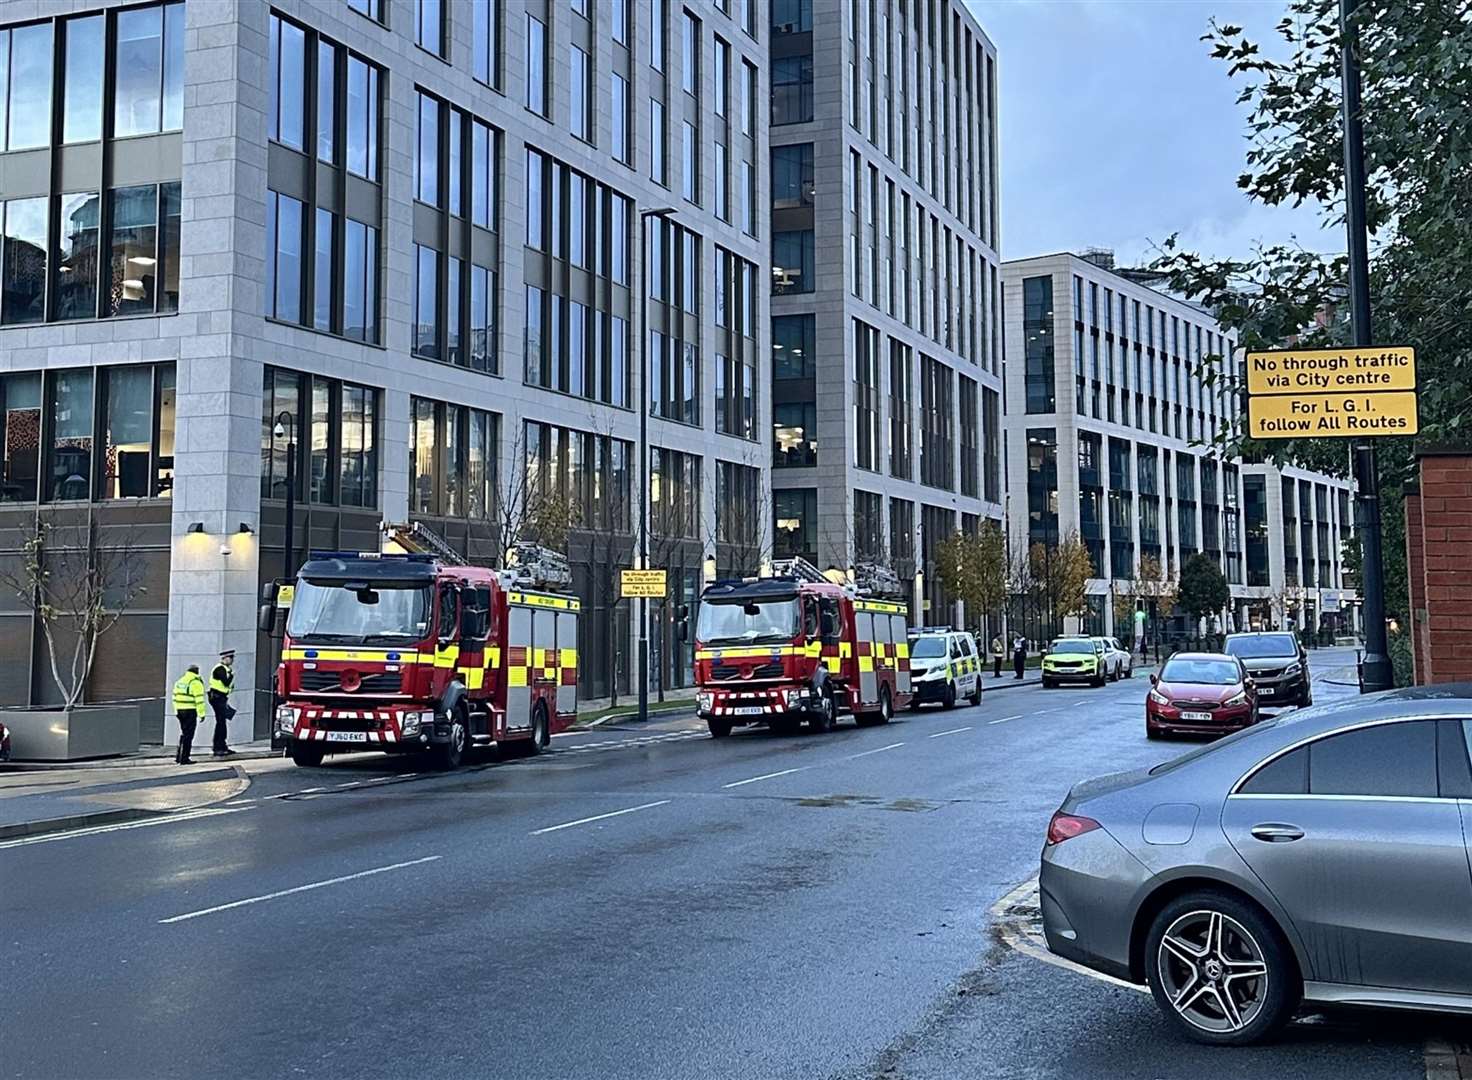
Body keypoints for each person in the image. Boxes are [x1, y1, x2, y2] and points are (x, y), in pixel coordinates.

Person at [171, 664, 207, 765]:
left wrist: (176, 710)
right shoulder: (195, 682)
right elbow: (199, 700)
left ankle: (179, 756)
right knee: (189, 735)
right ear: (197, 672)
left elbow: (174, 697)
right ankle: (184, 758)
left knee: (184, 733)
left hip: (180, 711)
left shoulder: (180, 681)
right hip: (190, 711)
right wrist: (202, 714)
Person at [208, 648, 237, 757]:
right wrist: (232, 675)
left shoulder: (225, 669)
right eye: (230, 658)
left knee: (222, 722)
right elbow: (225, 682)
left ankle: (222, 745)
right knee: (220, 723)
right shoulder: (220, 669)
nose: (232, 660)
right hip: (217, 697)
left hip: (221, 697)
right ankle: (218, 747)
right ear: (224, 658)